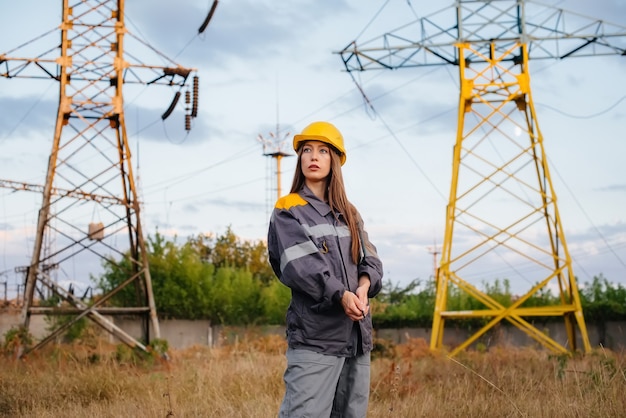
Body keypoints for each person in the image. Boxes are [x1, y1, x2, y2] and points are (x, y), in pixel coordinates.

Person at [267, 121, 384, 417]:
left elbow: (370, 258)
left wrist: (363, 286)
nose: (313, 157)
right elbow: (301, 267)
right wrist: (341, 295)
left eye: (322, 150)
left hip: (355, 339)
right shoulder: (288, 209)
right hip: (316, 340)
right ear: (300, 159)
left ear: (335, 161)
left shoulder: (349, 213)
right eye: (307, 150)